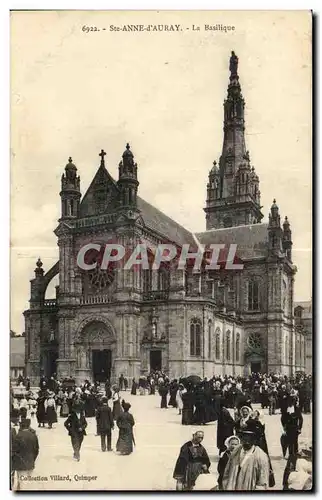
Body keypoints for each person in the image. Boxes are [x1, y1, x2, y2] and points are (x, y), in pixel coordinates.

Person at [11, 418, 39, 491]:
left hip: (20, 464)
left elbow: (14, 450)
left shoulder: (18, 436)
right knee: (27, 483)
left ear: (21, 425)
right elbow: (36, 450)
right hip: (30, 463)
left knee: (22, 484)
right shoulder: (33, 435)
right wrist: (32, 459)